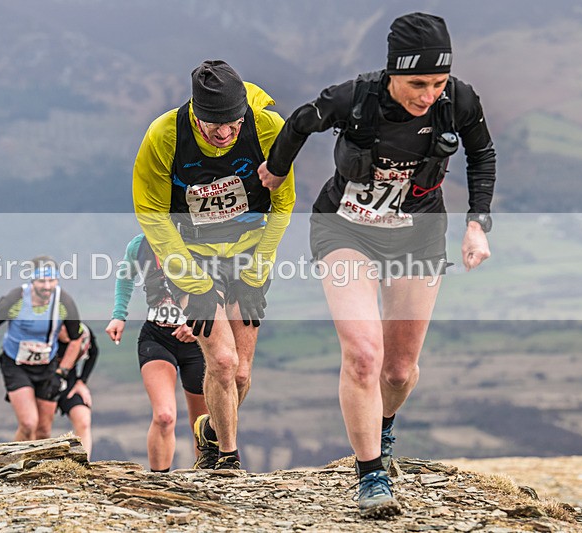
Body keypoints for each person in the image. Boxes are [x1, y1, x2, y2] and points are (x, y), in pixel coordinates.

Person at [258, 13, 496, 517]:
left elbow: (482, 154)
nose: (428, 94)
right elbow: (301, 121)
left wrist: (477, 224)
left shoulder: (460, 101)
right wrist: (276, 171)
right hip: (345, 229)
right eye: (417, 83)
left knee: (399, 369)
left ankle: (383, 426)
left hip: (419, 234)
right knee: (364, 355)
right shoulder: (355, 98)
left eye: (437, 83)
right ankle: (370, 477)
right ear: (392, 73)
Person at [133, 60, 296, 470]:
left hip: (249, 253)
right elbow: (152, 213)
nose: (224, 134)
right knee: (221, 361)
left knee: (240, 375)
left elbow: (283, 203)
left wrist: (258, 271)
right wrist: (196, 285)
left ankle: (209, 428)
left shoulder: (268, 129)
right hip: (192, 254)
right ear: (195, 113)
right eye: (213, 126)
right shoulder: (165, 136)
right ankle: (226, 458)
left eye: (233, 125)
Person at [105, 233, 208, 472]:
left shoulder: (200, 237)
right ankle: (158, 482)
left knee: (202, 423)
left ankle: (206, 479)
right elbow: (125, 276)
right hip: (157, 336)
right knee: (164, 416)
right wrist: (118, 315)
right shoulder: (140, 244)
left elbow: (220, 283)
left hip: (198, 340)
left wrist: (199, 318)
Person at [0, 255, 83, 442]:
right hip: (16, 364)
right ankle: (12, 466)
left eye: (52, 280)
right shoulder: (15, 298)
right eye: (42, 281)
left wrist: (62, 372)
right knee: (28, 424)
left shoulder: (64, 302)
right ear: (32, 280)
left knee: (43, 431)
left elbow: (76, 339)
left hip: (47, 367)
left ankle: (36, 469)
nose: (47, 286)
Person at [56, 323, 98, 459]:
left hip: (69, 382)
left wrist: (82, 381)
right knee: (38, 426)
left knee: (84, 420)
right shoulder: (44, 334)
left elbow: (94, 351)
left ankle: (83, 464)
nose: (64, 329)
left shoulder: (83, 333)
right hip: (43, 381)